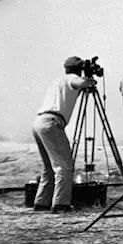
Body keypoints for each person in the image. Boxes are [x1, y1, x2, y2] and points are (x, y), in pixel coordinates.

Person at [32, 56, 96, 212]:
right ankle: (61, 204)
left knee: (48, 168)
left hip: (39, 122)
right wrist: (89, 80)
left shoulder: (57, 81)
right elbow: (81, 83)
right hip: (52, 123)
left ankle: (41, 203)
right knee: (65, 167)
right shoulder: (72, 79)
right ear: (78, 69)